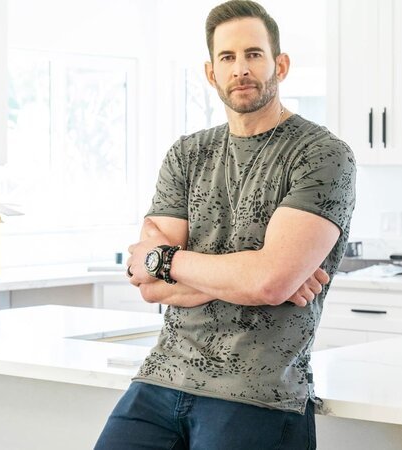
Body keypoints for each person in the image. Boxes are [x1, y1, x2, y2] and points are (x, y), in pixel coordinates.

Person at [94, 1, 356, 449]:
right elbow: (150, 283)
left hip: (257, 394)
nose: (241, 69)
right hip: (162, 377)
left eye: (254, 54)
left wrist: (170, 261)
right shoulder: (187, 154)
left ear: (281, 64)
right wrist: (255, 276)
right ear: (211, 72)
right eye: (227, 58)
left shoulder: (322, 154)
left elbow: (267, 282)